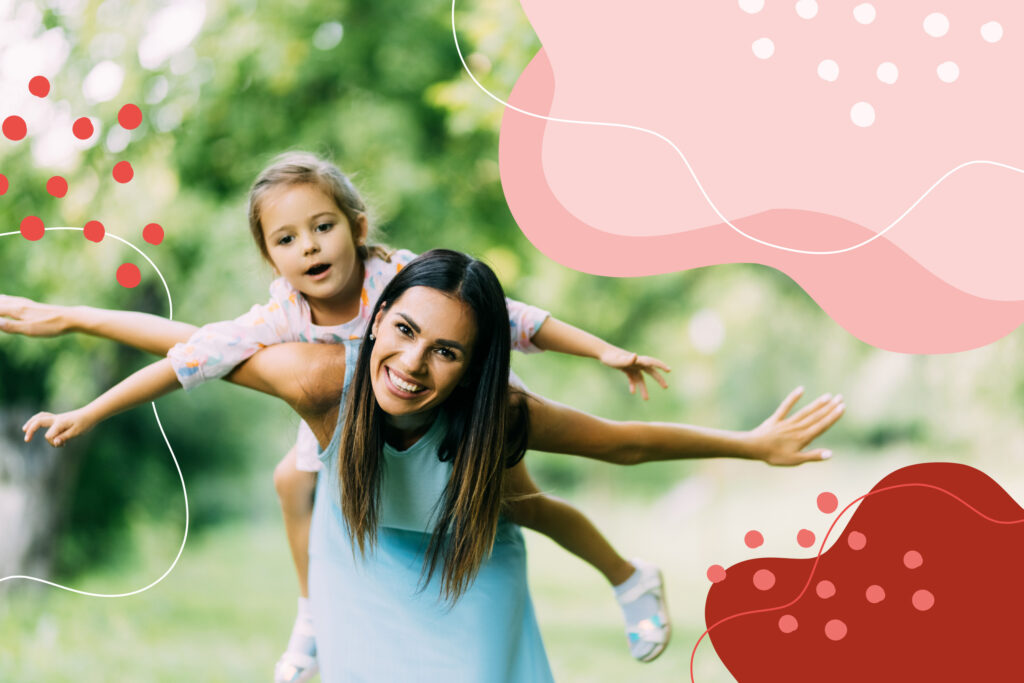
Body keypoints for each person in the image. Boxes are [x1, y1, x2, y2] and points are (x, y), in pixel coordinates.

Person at [1, 151, 677, 680]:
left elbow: (516, 319)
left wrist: (603, 350)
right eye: (287, 238)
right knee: (291, 481)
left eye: (323, 226)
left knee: (525, 503)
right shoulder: (280, 317)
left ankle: (627, 574)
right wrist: (89, 406)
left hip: (453, 406)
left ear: (357, 226)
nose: (311, 246)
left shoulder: (400, 276)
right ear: (271, 257)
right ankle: (310, 614)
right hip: (353, 418)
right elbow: (188, 356)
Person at [23, 249, 844, 681]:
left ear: (477, 367)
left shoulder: (503, 417)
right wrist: (64, 318)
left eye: (447, 350)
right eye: (404, 330)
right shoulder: (319, 380)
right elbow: (194, 344)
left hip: (470, 574)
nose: (414, 364)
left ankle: (627, 577)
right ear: (376, 321)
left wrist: (750, 444)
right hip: (366, 571)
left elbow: (622, 442)